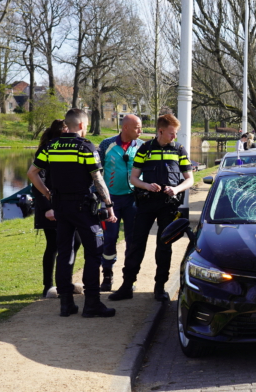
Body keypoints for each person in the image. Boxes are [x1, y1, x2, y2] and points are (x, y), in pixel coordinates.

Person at [27, 108, 117, 318]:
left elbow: (32, 173)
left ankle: (66, 304)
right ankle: (92, 303)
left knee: (65, 253)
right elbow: (97, 178)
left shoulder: (51, 146)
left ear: (67, 125)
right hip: (83, 208)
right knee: (94, 252)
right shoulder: (85, 147)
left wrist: (47, 193)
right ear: (83, 126)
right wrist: (109, 204)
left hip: (61, 208)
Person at [109, 114, 194, 302]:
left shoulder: (179, 150)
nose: (174, 137)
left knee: (164, 246)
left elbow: (190, 179)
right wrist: (147, 186)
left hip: (168, 205)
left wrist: (176, 189)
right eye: (172, 133)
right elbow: (133, 178)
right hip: (146, 204)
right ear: (161, 131)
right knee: (136, 245)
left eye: (176, 133)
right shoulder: (145, 149)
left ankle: (160, 287)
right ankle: (127, 285)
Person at [32, 120, 81, 298]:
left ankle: (65, 282)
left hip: (65, 204)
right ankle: (48, 286)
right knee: (53, 245)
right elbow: (36, 181)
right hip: (50, 208)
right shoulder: (46, 150)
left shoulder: (66, 150)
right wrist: (47, 207)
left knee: (75, 242)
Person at [97, 114, 143, 291]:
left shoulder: (141, 146)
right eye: (137, 127)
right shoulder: (106, 145)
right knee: (109, 239)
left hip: (133, 200)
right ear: (125, 128)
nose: (141, 130)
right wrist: (100, 197)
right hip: (111, 201)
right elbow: (96, 173)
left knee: (133, 241)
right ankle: (107, 275)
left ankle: (129, 278)